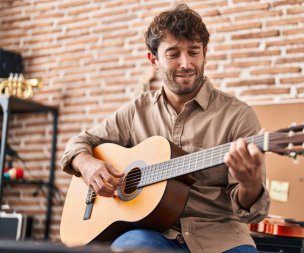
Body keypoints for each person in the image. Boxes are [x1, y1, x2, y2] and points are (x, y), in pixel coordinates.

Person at [61, 4, 270, 253]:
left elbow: (252, 214)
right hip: (150, 235)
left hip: (220, 238)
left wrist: (250, 184)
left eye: (193, 52)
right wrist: (88, 164)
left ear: (205, 53)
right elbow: (77, 144)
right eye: (173, 54)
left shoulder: (238, 116)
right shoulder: (136, 111)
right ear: (154, 60)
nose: (185, 63)